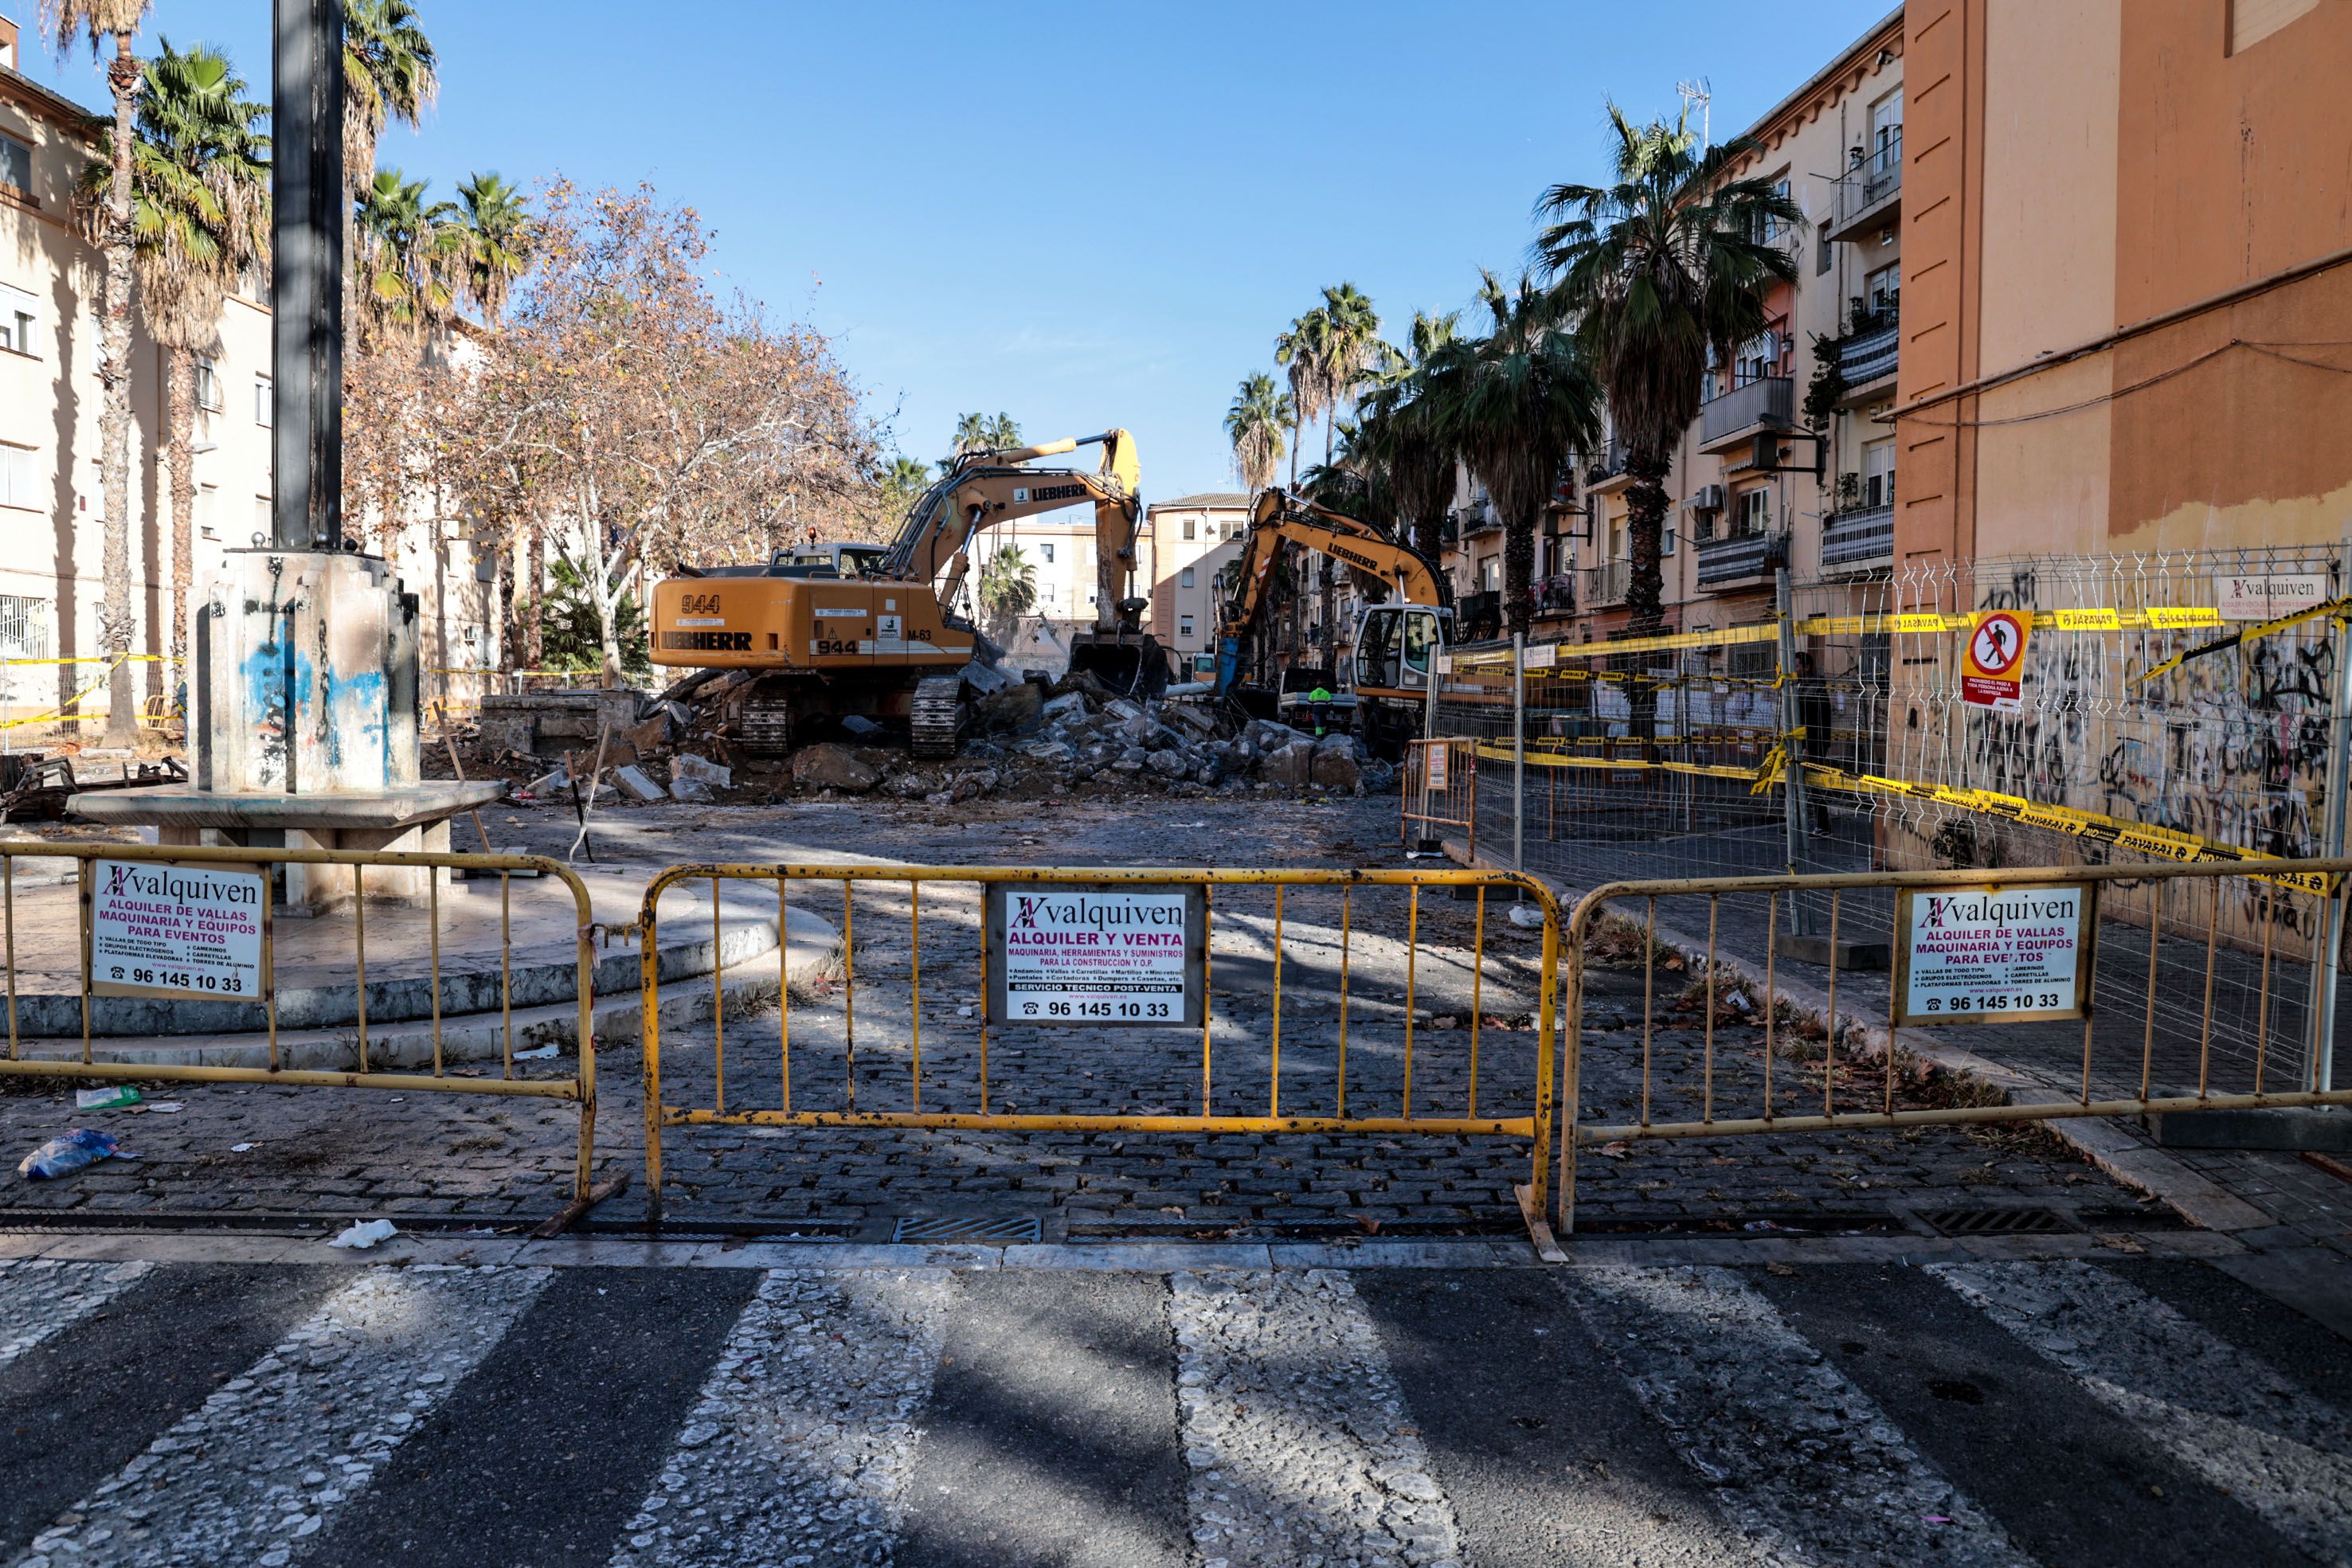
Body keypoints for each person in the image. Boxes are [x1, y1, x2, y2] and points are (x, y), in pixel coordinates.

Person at [1792, 651, 1835, 835]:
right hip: (1803, 743)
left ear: (1807, 667)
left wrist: (1809, 746)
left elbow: (1814, 722)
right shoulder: (1803, 686)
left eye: (1797, 666)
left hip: (1814, 745)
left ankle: (1823, 825)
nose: (1795, 669)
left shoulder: (1815, 689)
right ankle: (1799, 823)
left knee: (1815, 783)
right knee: (1799, 783)